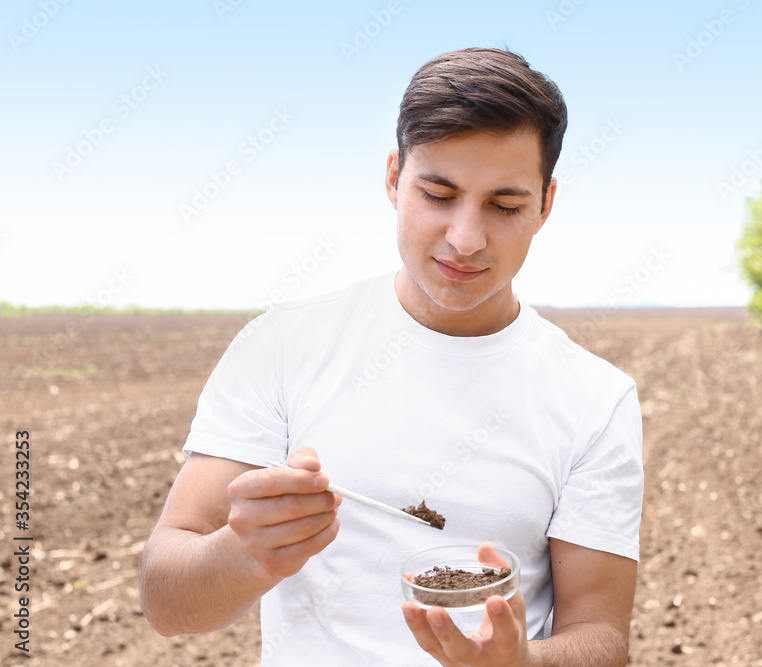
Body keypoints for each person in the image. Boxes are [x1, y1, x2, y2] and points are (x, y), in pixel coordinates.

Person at [139, 47, 644, 666]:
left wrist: (522, 663)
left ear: (545, 204)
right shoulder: (283, 346)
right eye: (438, 194)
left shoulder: (594, 399)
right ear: (391, 180)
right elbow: (166, 602)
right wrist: (246, 553)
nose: (466, 238)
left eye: (505, 206)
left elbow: (601, 637)